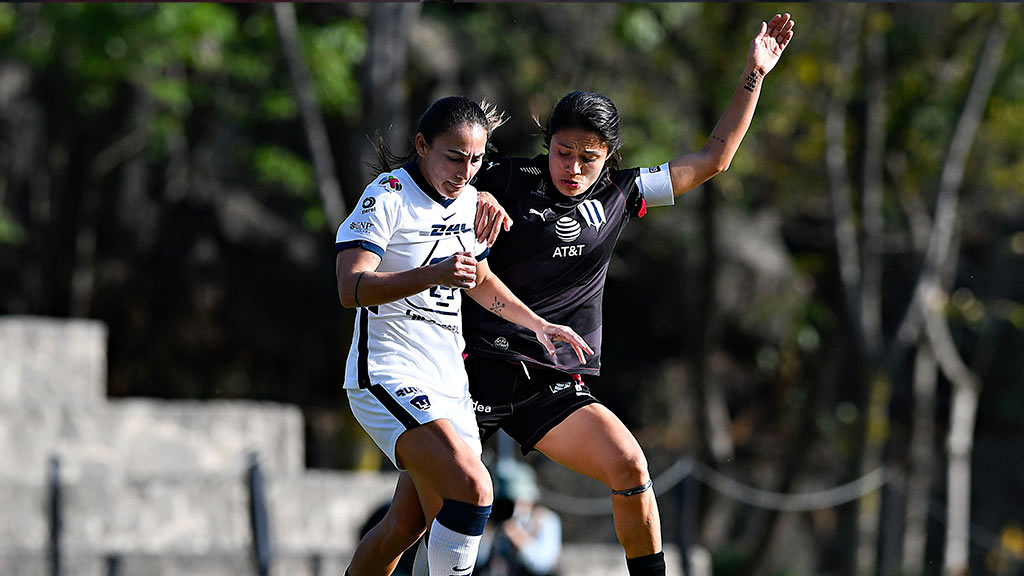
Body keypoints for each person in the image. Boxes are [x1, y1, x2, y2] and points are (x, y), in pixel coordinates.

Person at [349, 13, 795, 576]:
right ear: (547, 144)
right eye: (562, 152)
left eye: (588, 157)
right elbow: (440, 182)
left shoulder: (622, 195)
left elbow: (713, 159)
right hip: (469, 374)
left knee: (630, 465)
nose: (573, 167)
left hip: (550, 384)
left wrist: (754, 74)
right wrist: (476, 199)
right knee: (408, 524)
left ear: (609, 157)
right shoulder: (504, 179)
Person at [335, 95, 593, 576]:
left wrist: (538, 324)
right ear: (421, 145)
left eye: (476, 160)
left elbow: (479, 279)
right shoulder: (387, 196)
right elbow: (351, 288)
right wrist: (431, 274)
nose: (466, 171)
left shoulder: (473, 201)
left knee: (405, 525)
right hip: (389, 373)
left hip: (450, 382)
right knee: (475, 487)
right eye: (454, 157)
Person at [476, 460, 562, 576]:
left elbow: (543, 564)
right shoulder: (493, 522)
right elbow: (475, 561)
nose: (512, 508)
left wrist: (518, 535)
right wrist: (487, 531)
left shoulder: (545, 520)